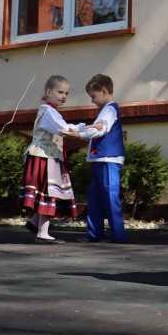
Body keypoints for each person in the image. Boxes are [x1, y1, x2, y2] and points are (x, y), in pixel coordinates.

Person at [19, 75, 90, 244]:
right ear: (49, 92)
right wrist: (87, 129)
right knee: (49, 192)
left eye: (66, 93)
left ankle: (34, 223)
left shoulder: (51, 111)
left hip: (49, 156)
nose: (64, 96)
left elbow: (63, 126)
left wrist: (86, 127)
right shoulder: (48, 111)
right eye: (60, 92)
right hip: (44, 157)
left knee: (52, 191)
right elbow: (63, 129)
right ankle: (42, 234)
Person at [75, 74, 127, 243]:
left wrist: (78, 133)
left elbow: (100, 130)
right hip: (101, 160)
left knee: (110, 196)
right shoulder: (106, 110)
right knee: (96, 199)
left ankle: (118, 234)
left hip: (109, 160)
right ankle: (95, 233)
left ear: (104, 91)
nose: (93, 101)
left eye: (93, 96)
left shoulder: (110, 109)